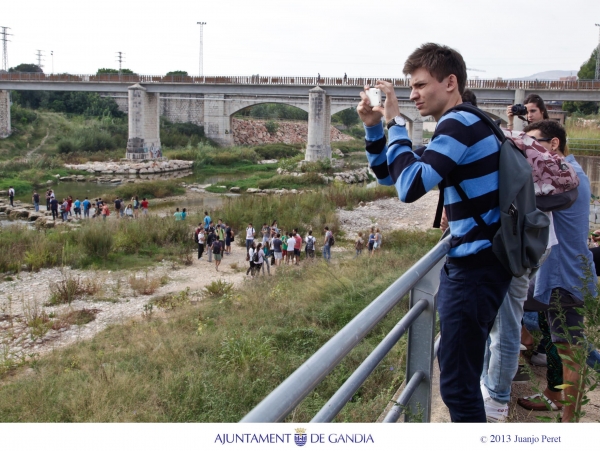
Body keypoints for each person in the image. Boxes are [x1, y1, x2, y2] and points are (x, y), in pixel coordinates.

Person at [357, 43, 511, 422]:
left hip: (476, 269)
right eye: (409, 88)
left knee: (458, 386)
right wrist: (374, 126)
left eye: (421, 85)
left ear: (451, 82)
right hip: (482, 265)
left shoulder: (459, 124)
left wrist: (396, 123)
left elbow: (409, 189)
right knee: (460, 375)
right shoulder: (463, 126)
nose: (412, 95)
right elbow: (389, 175)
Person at [516, 120, 596, 423]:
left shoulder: (568, 176)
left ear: (554, 144)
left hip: (566, 274)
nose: (530, 150)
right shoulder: (565, 172)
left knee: (570, 349)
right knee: (550, 332)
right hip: (556, 272)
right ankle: (554, 394)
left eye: (535, 143)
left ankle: (568, 421)